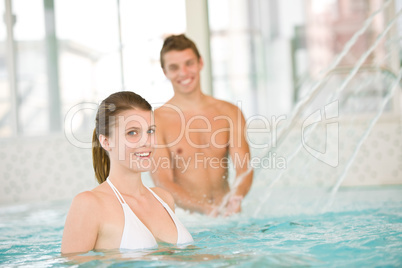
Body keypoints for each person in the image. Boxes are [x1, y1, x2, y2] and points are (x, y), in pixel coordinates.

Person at [61, 91, 193, 255]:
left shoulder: (164, 199)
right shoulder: (89, 204)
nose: (147, 141)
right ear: (106, 141)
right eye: (132, 132)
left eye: (150, 131)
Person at [151, 34, 253, 216]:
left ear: (200, 63)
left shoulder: (229, 112)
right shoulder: (156, 121)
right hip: (190, 221)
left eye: (189, 63)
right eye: (174, 67)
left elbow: (244, 168)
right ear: (165, 71)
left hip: (228, 215)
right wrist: (203, 209)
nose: (183, 73)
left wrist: (236, 197)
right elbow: (163, 182)